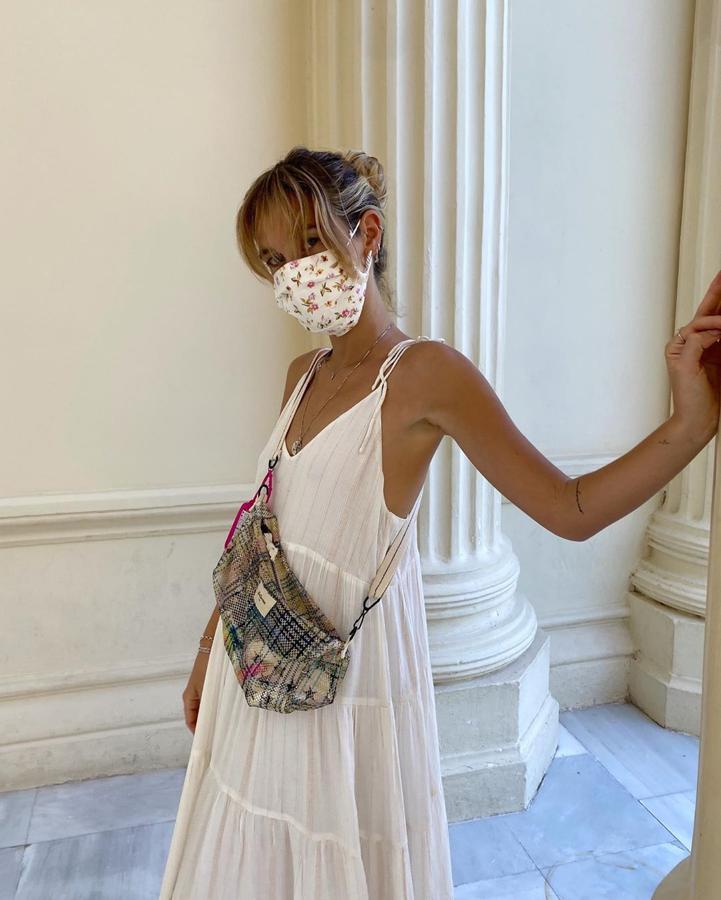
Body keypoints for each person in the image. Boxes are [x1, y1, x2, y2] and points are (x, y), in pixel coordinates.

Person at [159, 146, 721, 899]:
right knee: (255, 856)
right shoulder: (302, 376)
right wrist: (207, 649)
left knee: (332, 859)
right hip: (255, 664)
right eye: (271, 258)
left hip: (342, 687)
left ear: (365, 234)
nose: (290, 273)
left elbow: (570, 509)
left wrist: (689, 426)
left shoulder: (426, 374)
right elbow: (260, 530)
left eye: (308, 244)